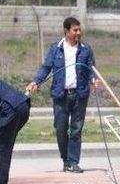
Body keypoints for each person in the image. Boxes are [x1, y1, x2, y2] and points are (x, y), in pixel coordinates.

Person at [26, 17, 99, 173]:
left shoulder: (86, 49)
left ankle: (73, 161)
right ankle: (66, 160)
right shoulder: (56, 49)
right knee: (60, 129)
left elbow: (91, 68)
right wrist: (36, 82)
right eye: (75, 30)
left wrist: (93, 79)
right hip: (61, 95)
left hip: (80, 95)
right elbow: (46, 68)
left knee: (76, 129)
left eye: (79, 30)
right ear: (66, 31)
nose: (79, 33)